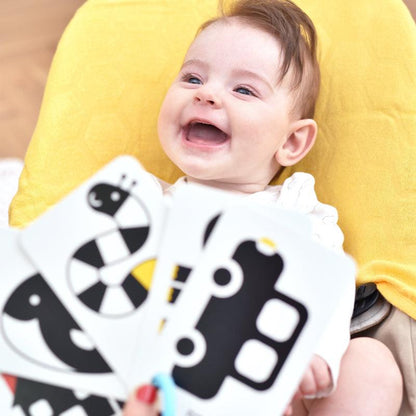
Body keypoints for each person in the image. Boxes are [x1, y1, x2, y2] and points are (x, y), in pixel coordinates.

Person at [125, 0, 403, 414]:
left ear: (291, 142)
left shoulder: (299, 214)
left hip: (270, 381)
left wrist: (318, 356)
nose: (206, 94)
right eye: (192, 77)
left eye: (244, 89)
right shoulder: (144, 199)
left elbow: (329, 290)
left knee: (371, 363)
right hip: (164, 387)